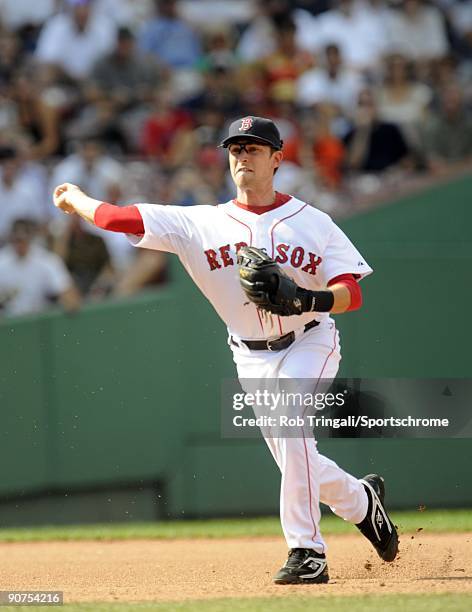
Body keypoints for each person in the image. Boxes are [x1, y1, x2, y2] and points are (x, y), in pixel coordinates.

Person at [53, 116, 398, 584]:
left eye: (254, 148)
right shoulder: (200, 223)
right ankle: (362, 502)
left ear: (278, 159)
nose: (243, 156)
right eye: (236, 149)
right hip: (250, 354)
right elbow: (119, 218)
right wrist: (77, 200)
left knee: (291, 425)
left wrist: (307, 298)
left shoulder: (313, 222)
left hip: (310, 338)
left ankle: (307, 551)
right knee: (295, 457)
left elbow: (351, 292)